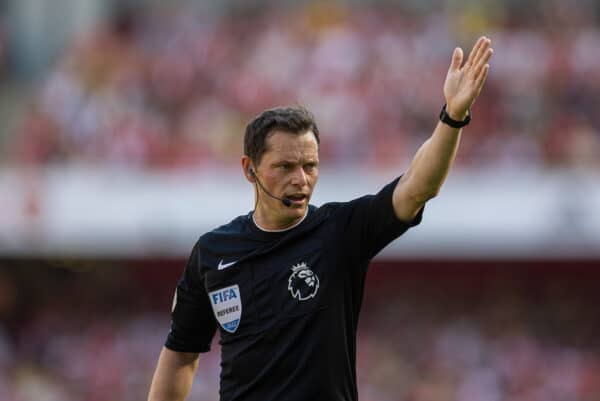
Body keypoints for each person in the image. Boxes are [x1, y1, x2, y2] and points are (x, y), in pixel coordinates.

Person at [147, 36, 493, 401]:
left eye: (309, 166)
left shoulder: (338, 232)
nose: (301, 179)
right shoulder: (213, 252)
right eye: (285, 166)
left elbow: (415, 189)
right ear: (250, 169)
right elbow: (181, 355)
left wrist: (452, 117)